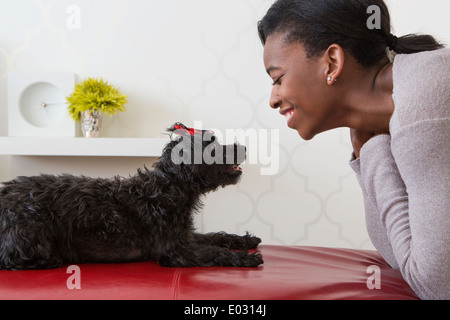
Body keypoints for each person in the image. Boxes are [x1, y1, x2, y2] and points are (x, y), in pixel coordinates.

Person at [258, 0, 449, 299]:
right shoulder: (379, 123)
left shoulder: (423, 103)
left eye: (278, 79)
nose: (273, 99)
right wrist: (370, 149)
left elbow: (437, 286)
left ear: (332, 62)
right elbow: (395, 255)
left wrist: (371, 152)